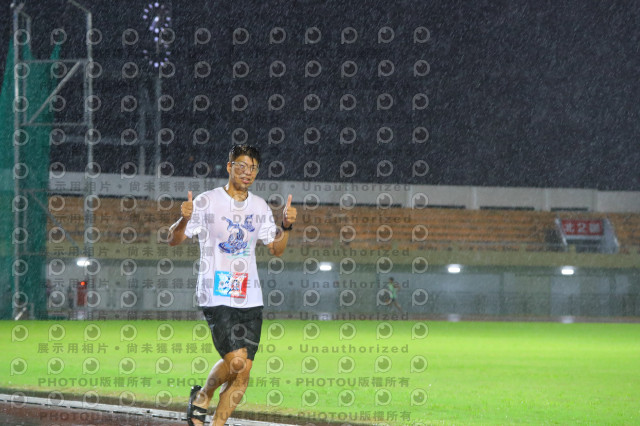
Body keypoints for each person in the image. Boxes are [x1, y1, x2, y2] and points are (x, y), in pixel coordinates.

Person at [167, 144, 297, 426]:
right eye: (241, 166)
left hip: (250, 295)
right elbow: (173, 239)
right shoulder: (207, 201)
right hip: (216, 292)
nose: (247, 172)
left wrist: (286, 226)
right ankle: (204, 395)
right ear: (229, 167)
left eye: (253, 168)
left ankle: (212, 415)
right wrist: (184, 219)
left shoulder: (260, 206)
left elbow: (276, 249)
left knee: (243, 373)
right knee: (236, 362)